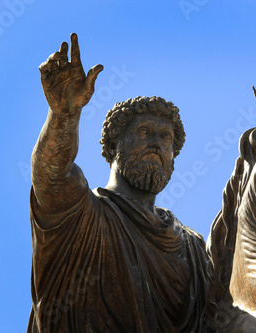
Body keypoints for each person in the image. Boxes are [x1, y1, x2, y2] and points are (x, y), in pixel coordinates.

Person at [28, 33, 214, 332]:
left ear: (173, 157)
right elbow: (51, 174)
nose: (156, 142)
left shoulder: (193, 247)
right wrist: (63, 116)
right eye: (143, 131)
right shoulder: (80, 213)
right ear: (114, 146)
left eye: (165, 137)